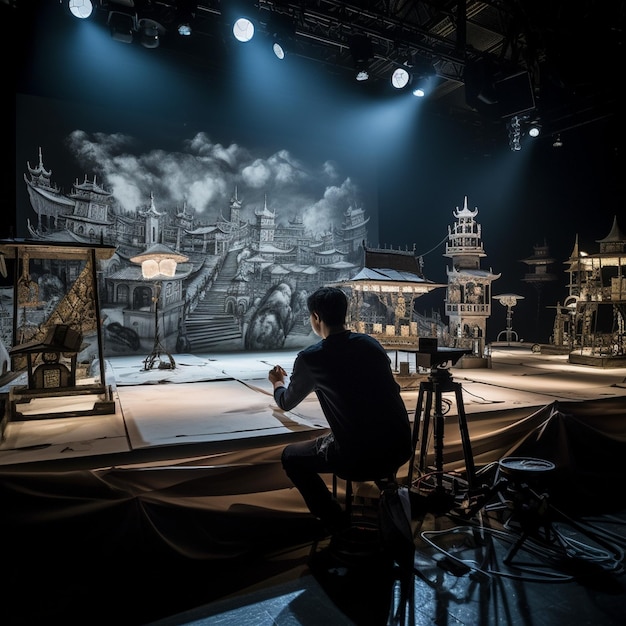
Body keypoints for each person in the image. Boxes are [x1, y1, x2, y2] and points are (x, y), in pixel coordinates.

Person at [268, 286, 412, 534]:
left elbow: (286, 402)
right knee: (369, 431)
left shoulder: (311, 358)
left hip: (357, 457)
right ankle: (388, 498)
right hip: (401, 447)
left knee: (290, 457)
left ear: (316, 317)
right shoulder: (371, 345)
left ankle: (337, 523)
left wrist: (277, 382)